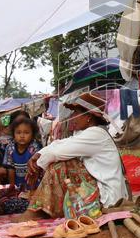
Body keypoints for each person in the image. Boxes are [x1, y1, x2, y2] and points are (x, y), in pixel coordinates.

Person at [21, 92, 129, 220]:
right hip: (104, 193)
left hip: (109, 199)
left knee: (62, 165)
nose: (72, 116)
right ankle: (39, 210)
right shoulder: (88, 133)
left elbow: (58, 152)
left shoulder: (96, 134)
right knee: (62, 161)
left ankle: (36, 212)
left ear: (88, 116)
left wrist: (37, 163)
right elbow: (60, 143)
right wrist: (38, 155)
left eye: (75, 112)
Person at [3, 115, 42, 190]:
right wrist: (12, 187)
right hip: (18, 185)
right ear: (13, 134)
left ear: (32, 135)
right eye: (18, 132)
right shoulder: (10, 148)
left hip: (34, 185)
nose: (22, 136)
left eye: (26, 133)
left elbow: (36, 169)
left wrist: (33, 189)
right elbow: (11, 169)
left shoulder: (34, 147)